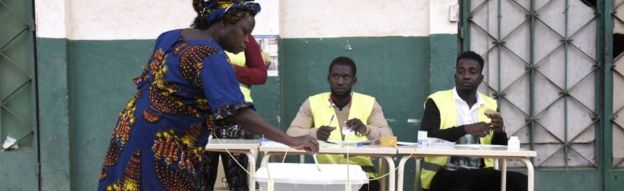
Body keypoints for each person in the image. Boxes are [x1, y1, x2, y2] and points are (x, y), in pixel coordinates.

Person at [97, 1, 318, 190]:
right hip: (164, 141)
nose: (247, 40)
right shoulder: (210, 53)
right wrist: (290, 140)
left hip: (130, 128)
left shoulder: (170, 37)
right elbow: (238, 113)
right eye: (244, 31)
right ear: (224, 22)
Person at [419, 51, 527, 191]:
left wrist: (500, 131)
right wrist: (465, 129)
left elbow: (501, 149)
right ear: (455, 76)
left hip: (481, 172)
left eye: (472, 72)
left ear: (480, 78)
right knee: (463, 184)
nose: (466, 76)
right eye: (461, 71)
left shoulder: (490, 104)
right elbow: (426, 137)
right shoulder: (436, 101)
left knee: (520, 182)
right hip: (445, 172)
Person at [286, 56, 393, 191]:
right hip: (325, 176)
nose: (340, 81)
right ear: (328, 78)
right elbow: (291, 133)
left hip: (362, 175)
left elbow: (389, 138)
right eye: (335, 76)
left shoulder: (369, 103)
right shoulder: (313, 102)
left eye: (346, 77)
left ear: (354, 80)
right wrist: (314, 133)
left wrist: (366, 129)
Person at [203, 34, 267, 190]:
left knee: (237, 178)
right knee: (201, 179)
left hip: (237, 113)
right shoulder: (200, 38)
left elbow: (260, 75)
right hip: (204, 112)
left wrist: (230, 70)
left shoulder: (245, 38)